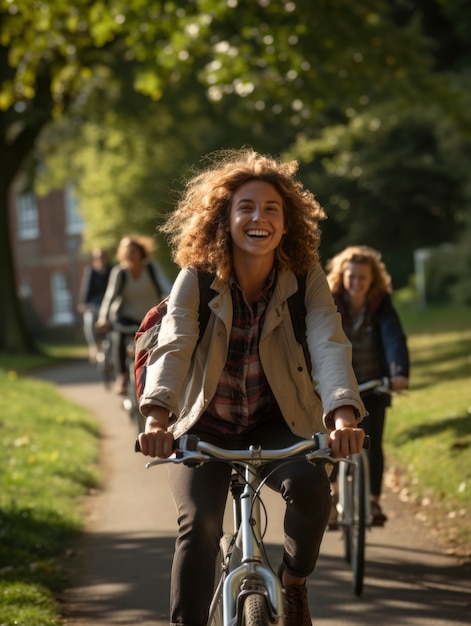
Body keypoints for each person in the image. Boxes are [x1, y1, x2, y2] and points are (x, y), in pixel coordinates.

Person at [137, 148, 367, 626]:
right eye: (245, 207)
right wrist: (158, 417)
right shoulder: (196, 279)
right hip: (205, 425)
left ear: (286, 224)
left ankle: (295, 583)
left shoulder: (305, 280)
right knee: (199, 525)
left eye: (271, 209)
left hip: (277, 420)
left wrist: (342, 412)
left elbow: (328, 341)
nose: (258, 218)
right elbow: (175, 344)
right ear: (224, 218)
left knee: (311, 488)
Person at [325, 245, 409, 526]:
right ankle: (334, 495)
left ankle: (372, 501)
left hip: (373, 384)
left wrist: (398, 372)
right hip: (338, 388)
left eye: (363, 277)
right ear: (342, 276)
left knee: (373, 444)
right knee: (333, 442)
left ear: (372, 280)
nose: (356, 283)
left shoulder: (380, 303)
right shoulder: (330, 301)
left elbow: (393, 338)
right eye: (351, 277)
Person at [96, 235, 172, 395]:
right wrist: (103, 318)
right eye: (125, 250)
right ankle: (122, 377)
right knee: (117, 336)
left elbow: (168, 288)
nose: (129, 253)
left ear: (140, 252)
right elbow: (109, 297)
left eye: (133, 249)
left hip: (151, 318)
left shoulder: (151, 268)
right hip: (127, 317)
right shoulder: (120, 273)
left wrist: (176, 304)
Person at [77, 248, 112, 363]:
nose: (101, 259)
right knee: (89, 321)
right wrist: (83, 303)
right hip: (94, 304)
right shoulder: (91, 271)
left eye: (102, 257)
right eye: (98, 257)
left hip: (109, 303)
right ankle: (94, 346)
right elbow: (86, 288)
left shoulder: (112, 270)